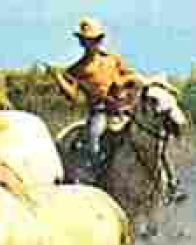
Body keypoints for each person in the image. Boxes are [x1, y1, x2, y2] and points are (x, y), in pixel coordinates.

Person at [47, 17, 141, 168]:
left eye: (97, 39)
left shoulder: (113, 59)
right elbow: (72, 96)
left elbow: (131, 76)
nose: (94, 43)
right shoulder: (77, 69)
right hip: (100, 112)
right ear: (83, 42)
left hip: (125, 109)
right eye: (89, 40)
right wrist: (58, 79)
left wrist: (122, 83)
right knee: (94, 140)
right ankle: (97, 174)